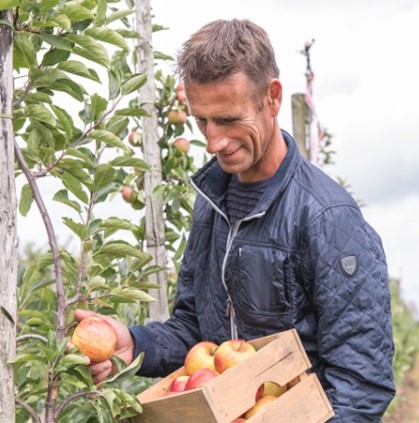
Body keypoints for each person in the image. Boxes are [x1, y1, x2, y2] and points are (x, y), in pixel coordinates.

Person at [75, 18, 395, 421]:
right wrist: (134, 344)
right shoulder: (212, 202)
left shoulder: (328, 218)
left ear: (272, 97)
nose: (212, 142)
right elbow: (196, 331)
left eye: (227, 120)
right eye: (200, 121)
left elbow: (361, 385)